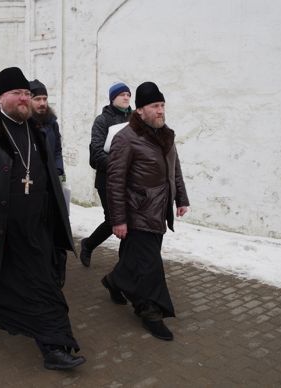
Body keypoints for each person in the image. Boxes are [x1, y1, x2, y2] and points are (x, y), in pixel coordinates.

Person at [0, 67, 85, 370]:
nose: (25, 99)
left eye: (27, 93)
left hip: (34, 230)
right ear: (1, 97)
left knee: (45, 287)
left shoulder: (35, 130)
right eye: (18, 93)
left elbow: (48, 178)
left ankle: (54, 347)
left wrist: (56, 221)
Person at [103, 81, 190, 341]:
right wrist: (118, 220)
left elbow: (175, 169)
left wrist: (181, 198)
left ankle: (113, 281)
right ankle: (150, 312)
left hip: (158, 211)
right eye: (155, 106)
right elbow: (115, 181)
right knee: (150, 266)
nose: (160, 111)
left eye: (162, 105)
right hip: (137, 212)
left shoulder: (165, 135)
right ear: (140, 110)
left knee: (136, 261)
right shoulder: (126, 139)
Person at [80, 82, 133, 267]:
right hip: (107, 180)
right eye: (122, 94)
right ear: (112, 98)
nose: (126, 97)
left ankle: (124, 268)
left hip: (131, 181)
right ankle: (88, 244)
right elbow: (97, 152)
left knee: (131, 222)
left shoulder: (136, 119)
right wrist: (119, 167)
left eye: (128, 94)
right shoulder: (102, 120)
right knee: (113, 220)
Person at [29, 79, 67, 287]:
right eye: (37, 99)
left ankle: (56, 268)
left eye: (45, 98)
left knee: (54, 227)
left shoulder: (52, 122)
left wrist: (59, 169)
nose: (42, 103)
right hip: (33, 186)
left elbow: (58, 149)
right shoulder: (25, 124)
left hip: (52, 185)